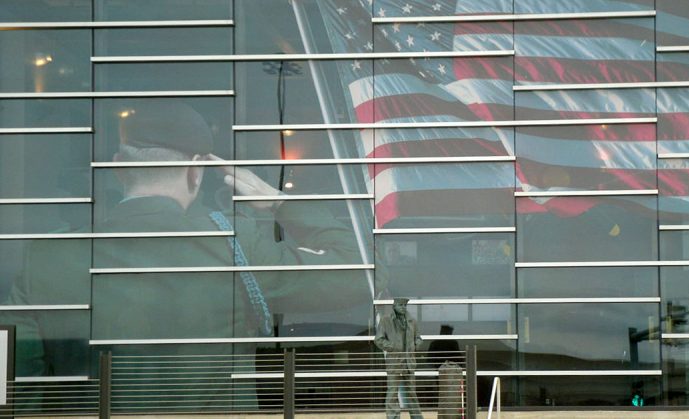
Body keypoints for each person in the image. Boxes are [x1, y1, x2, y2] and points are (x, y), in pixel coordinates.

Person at [3, 100, 372, 407]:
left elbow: (18, 384)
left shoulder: (48, 256)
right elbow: (364, 274)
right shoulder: (234, 243)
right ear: (196, 173)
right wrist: (278, 202)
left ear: (118, 167)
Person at [375, 297, 423, 419]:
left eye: (405, 305)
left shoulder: (412, 321)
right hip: (394, 361)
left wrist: (416, 344)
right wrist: (392, 347)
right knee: (392, 392)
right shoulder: (386, 321)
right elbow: (378, 339)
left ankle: (416, 417)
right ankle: (393, 417)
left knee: (412, 392)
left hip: (409, 362)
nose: (403, 307)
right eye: (400, 305)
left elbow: (418, 337)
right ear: (394, 306)